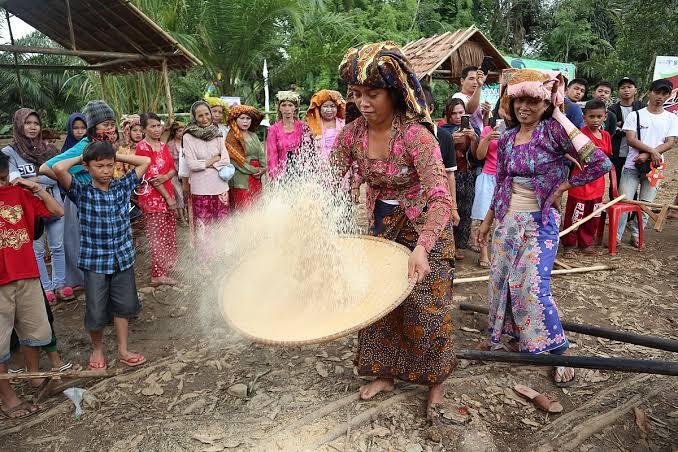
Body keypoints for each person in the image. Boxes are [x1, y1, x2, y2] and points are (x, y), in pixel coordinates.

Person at [333, 42, 455, 415]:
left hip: (425, 229)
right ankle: (383, 372)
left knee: (425, 308)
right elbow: (329, 178)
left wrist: (423, 246)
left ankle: (435, 381)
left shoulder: (417, 137)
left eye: (373, 94)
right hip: (382, 227)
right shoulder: (352, 134)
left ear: (395, 92)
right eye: (356, 94)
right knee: (378, 303)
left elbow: (440, 199)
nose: (363, 102)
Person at [477, 68, 611, 386]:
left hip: (539, 223)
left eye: (532, 102)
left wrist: (565, 185)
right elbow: (501, 184)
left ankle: (560, 350)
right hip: (507, 222)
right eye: (519, 100)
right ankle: (505, 335)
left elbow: (599, 162)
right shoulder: (507, 138)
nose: (524, 107)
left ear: (544, 104)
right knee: (499, 282)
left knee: (531, 286)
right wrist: (486, 224)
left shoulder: (553, 132)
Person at [52, 141, 151, 370]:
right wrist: (82, 158)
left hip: (122, 258)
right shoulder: (81, 191)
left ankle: (123, 349)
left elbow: (145, 161)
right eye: (99, 166)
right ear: (88, 168)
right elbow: (57, 169)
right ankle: (97, 350)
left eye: (109, 165)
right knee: (95, 309)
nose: (106, 171)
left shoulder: (122, 186)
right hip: (95, 261)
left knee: (123, 306)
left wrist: (116, 156)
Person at [0, 153, 63, 418]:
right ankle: (9, 398)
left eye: (3, 178)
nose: (2, 184)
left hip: (27, 274)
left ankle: (34, 376)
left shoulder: (19, 194)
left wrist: (37, 188)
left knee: (34, 330)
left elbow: (57, 211)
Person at [1, 109, 71, 304]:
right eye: (28, 123)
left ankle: (60, 285)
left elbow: (60, 174)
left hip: (54, 200)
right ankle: (46, 287)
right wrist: (45, 177)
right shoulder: (9, 152)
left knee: (58, 246)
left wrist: (33, 180)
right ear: (18, 125)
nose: (33, 127)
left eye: (36, 123)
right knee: (37, 249)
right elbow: (14, 180)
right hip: (28, 206)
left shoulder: (49, 149)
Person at [617, 79, 678, 247]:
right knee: (625, 201)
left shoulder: (671, 118)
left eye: (664, 93)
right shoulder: (635, 115)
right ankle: (617, 236)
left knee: (646, 204)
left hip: (655, 168)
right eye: (657, 92)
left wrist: (648, 155)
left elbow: (670, 142)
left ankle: (637, 234)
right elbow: (630, 139)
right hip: (632, 166)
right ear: (649, 92)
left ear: (668, 96)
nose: (660, 97)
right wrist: (650, 152)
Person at [562, 100, 613, 258]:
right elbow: (566, 150)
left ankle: (586, 244)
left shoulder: (606, 135)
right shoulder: (579, 134)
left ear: (605, 117)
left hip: (598, 183)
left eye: (599, 116)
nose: (595, 120)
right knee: (575, 214)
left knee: (593, 215)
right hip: (580, 182)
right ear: (584, 117)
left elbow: (606, 158)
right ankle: (569, 245)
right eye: (592, 116)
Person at [183, 101, 231, 257]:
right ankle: (205, 259)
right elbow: (191, 164)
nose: (204, 119)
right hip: (200, 188)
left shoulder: (217, 133)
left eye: (207, 114)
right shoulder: (188, 136)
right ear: (194, 118)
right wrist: (211, 161)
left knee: (222, 223)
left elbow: (225, 160)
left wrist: (203, 164)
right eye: (200, 116)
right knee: (204, 225)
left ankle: (220, 256)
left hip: (220, 186)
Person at [135, 112, 178, 287]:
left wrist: (166, 176)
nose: (157, 129)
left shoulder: (163, 145)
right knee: (158, 236)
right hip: (153, 198)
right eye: (152, 126)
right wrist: (168, 198)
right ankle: (157, 274)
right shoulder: (142, 147)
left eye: (158, 125)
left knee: (169, 232)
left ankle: (168, 264)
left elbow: (172, 169)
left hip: (168, 192)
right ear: (144, 129)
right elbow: (151, 177)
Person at [441, 98, 479, 260]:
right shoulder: (443, 130)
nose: (457, 116)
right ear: (448, 114)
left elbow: (477, 156)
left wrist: (474, 139)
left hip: (467, 174)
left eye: (461, 113)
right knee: (448, 210)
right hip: (449, 175)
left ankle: (459, 245)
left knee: (465, 211)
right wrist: (449, 139)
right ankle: (447, 244)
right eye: (454, 113)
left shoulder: (474, 129)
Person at [421, 84, 460, 230]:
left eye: (421, 107)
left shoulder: (445, 137)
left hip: (438, 203)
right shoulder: (401, 137)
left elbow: (449, 174)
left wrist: (453, 208)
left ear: (430, 108)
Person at [470, 104, 503, 268]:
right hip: (488, 176)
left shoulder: (519, 130)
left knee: (504, 219)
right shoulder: (489, 129)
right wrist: (488, 138)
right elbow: (479, 155)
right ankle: (484, 253)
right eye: (503, 107)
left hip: (507, 179)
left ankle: (501, 254)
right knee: (484, 217)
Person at [60, 113, 87, 290]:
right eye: (75, 128)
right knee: (73, 237)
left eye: (82, 127)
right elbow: (60, 170)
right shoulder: (67, 151)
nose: (79, 131)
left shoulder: (91, 146)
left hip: (92, 196)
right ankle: (77, 277)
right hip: (73, 198)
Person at [225, 105, 267, 209]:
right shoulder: (231, 137)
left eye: (248, 118)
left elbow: (261, 154)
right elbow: (235, 160)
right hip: (241, 179)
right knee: (243, 208)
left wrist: (263, 168)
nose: (245, 121)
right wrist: (255, 170)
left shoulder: (253, 135)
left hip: (256, 178)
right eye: (242, 118)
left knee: (257, 207)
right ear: (235, 120)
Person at [608, 77, 646, 185]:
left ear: (635, 90)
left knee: (633, 181)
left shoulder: (642, 108)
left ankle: (631, 201)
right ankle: (615, 201)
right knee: (615, 181)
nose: (626, 90)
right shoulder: (612, 109)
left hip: (636, 151)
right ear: (618, 91)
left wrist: (621, 126)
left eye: (629, 87)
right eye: (623, 87)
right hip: (616, 151)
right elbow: (611, 130)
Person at [267, 91, 304, 179]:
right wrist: (274, 176)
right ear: (279, 108)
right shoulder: (273, 129)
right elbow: (272, 155)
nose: (287, 109)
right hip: (282, 172)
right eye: (284, 105)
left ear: (295, 107)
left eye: (290, 105)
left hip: (301, 171)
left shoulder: (303, 127)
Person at [303, 89, 346, 160]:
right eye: (325, 106)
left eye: (332, 106)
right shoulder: (312, 126)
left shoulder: (344, 124)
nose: (329, 110)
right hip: (320, 167)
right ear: (319, 109)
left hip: (342, 165)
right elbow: (306, 149)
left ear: (337, 108)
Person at [167, 121, 187, 221]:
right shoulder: (170, 144)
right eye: (179, 131)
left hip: (186, 172)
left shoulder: (187, 142)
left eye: (183, 130)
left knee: (186, 193)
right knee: (179, 194)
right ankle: (181, 217)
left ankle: (187, 214)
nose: (182, 132)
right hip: (175, 173)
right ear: (174, 132)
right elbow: (169, 161)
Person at [115, 114, 143, 179]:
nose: (138, 133)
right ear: (128, 131)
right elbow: (118, 172)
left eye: (141, 131)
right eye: (134, 130)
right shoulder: (122, 150)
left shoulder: (148, 148)